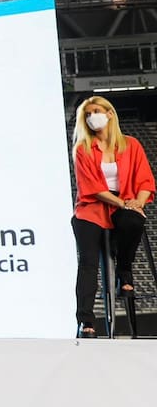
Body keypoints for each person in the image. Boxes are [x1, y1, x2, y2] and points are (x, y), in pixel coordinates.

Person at [70, 96, 153, 338]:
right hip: (92, 208)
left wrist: (137, 201)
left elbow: (145, 179)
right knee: (88, 262)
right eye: (87, 114)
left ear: (109, 114)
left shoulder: (131, 145)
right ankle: (86, 321)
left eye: (95, 111)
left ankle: (124, 272)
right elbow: (92, 188)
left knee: (134, 221)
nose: (91, 116)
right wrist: (123, 203)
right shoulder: (83, 149)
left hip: (124, 206)